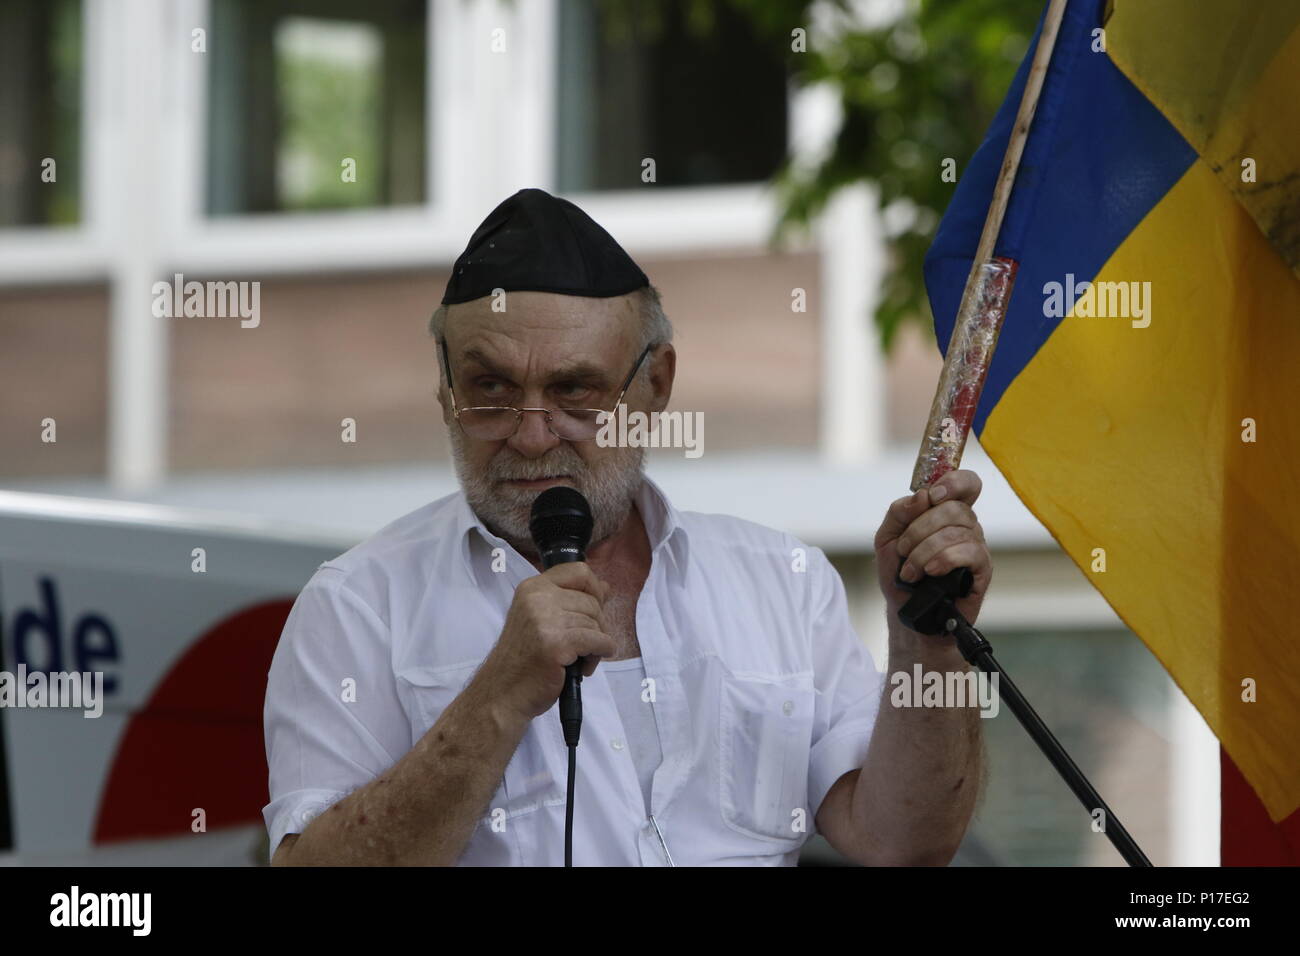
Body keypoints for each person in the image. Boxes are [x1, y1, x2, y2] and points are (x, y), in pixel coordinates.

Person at [262, 188, 992, 866]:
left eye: (574, 391)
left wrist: (929, 645)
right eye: (490, 391)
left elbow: (905, 841)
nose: (533, 434)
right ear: (445, 391)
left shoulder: (783, 581)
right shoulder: (358, 606)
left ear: (656, 383)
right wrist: (498, 697)